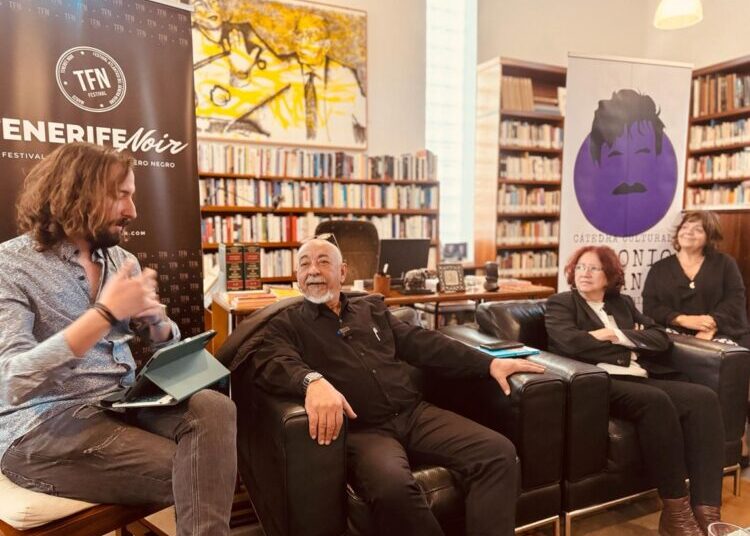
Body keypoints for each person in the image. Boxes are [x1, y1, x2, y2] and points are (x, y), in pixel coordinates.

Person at [0, 142, 237, 536]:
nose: (132, 211)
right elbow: (14, 381)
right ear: (77, 192)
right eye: (121, 196)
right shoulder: (10, 265)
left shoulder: (118, 260)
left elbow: (162, 344)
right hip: (42, 426)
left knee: (214, 407)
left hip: (120, 405)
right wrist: (104, 314)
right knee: (198, 467)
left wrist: (157, 324)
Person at [251, 238, 545, 536]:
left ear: (342, 272)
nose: (313, 270)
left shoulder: (371, 310)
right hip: (364, 432)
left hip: (414, 414)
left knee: (498, 452)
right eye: (304, 264)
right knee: (392, 488)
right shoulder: (286, 324)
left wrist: (488, 363)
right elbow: (272, 360)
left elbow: (423, 343)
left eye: (323, 262)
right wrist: (311, 381)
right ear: (296, 277)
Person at [545, 245, 725, 536]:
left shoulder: (623, 303)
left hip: (638, 376)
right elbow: (569, 343)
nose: (584, 274)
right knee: (655, 400)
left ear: (610, 275)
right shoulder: (562, 303)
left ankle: (707, 512)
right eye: (580, 267)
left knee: (704, 398)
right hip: (599, 380)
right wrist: (630, 340)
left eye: (593, 268)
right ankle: (675, 512)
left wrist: (615, 335)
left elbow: (659, 339)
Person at [643, 210, 750, 348]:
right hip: (672, 332)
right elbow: (651, 306)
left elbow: (735, 301)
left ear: (709, 237)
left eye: (698, 229)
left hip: (719, 332)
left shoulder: (725, 263)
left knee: (725, 358)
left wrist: (711, 325)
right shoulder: (659, 268)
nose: (688, 232)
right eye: (685, 227)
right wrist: (683, 320)